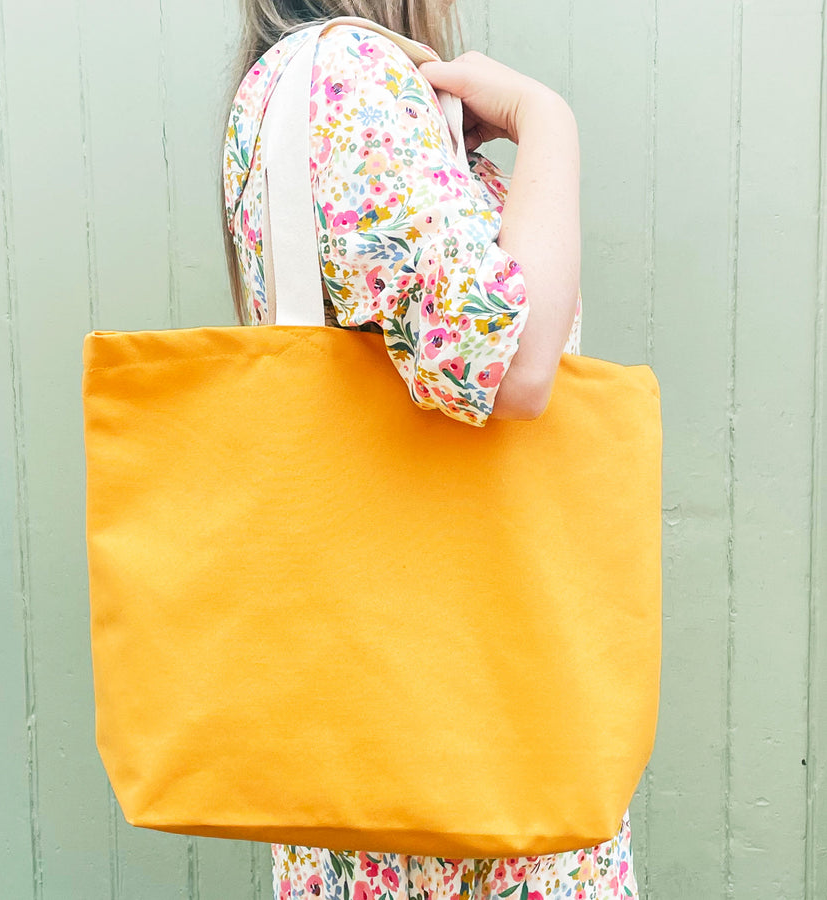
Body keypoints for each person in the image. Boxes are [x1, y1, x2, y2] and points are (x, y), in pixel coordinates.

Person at [221, 1, 639, 897]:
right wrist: (546, 121)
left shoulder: (286, 82)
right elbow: (510, 364)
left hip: (378, 738)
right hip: (470, 754)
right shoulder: (354, 78)